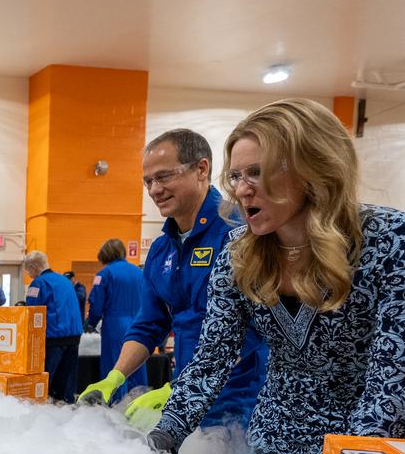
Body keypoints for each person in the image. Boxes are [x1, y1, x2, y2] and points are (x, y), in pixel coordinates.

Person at [149, 99, 405, 454]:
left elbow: (394, 379)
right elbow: (212, 359)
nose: (242, 190)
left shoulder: (394, 241)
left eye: (257, 173)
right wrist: (167, 431)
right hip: (269, 448)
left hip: (364, 453)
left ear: (313, 168)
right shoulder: (238, 253)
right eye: (235, 176)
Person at [80, 128, 267, 426]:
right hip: (186, 398)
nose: (155, 189)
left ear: (201, 169)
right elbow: (149, 324)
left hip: (242, 400)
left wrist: (179, 389)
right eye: (148, 181)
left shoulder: (241, 231)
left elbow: (255, 327)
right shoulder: (161, 250)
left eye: (164, 176)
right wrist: (114, 377)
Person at [84, 239, 149, 402]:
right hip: (139, 324)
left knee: (115, 368)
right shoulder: (140, 273)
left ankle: (115, 406)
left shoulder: (104, 274)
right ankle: (140, 405)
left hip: (115, 326)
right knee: (136, 365)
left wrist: (91, 323)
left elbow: (96, 304)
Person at [22, 251, 84, 404]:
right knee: (67, 384)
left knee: (47, 383)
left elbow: (32, 312)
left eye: (28, 271)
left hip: (53, 337)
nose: (29, 275)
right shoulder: (65, 280)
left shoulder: (38, 283)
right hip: (74, 336)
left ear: (34, 267)